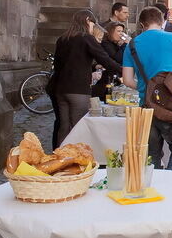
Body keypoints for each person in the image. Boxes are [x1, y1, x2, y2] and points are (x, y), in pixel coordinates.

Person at [122, 6, 172, 171]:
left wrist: (143, 88)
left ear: (142, 24)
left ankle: (154, 188)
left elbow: (126, 80)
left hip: (146, 105)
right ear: (162, 21)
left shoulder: (132, 45)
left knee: (152, 154)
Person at [50, 9, 122, 145]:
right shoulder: (86, 38)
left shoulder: (63, 38)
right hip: (78, 89)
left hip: (61, 88)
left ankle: (60, 158)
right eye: (93, 24)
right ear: (87, 21)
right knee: (78, 127)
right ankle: (76, 160)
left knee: (64, 127)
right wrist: (123, 70)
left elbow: (58, 64)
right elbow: (104, 58)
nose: (93, 27)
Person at [92, 21, 127, 99]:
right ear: (111, 32)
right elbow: (117, 59)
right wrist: (124, 44)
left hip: (113, 80)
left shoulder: (116, 44)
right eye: (118, 31)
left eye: (122, 31)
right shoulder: (105, 43)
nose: (121, 34)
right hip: (104, 82)